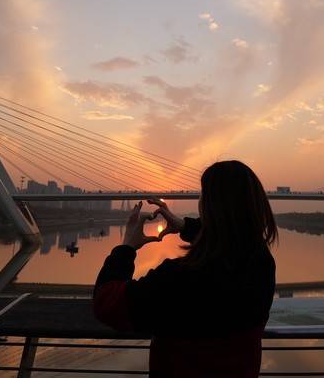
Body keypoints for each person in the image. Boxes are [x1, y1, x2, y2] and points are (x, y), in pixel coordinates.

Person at [93, 160, 277, 378]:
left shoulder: (178, 278)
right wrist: (185, 226)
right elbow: (231, 239)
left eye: (203, 196)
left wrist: (126, 247)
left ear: (208, 208)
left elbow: (107, 304)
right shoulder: (262, 264)